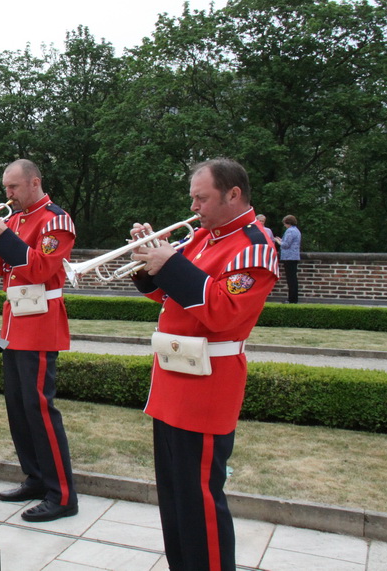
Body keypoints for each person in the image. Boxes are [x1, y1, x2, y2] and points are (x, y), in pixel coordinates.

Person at [129, 158, 279, 571]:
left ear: (233, 194)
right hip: (173, 381)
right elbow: (169, 297)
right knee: (175, 498)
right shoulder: (202, 238)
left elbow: (223, 312)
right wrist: (148, 262)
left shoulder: (255, 246)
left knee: (201, 505)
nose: (194, 207)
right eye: (193, 197)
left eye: (202, 198)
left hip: (207, 387)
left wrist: (170, 263)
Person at [0, 159, 79, 522]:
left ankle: (63, 494)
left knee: (40, 409)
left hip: (40, 323)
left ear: (35, 183)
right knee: (17, 407)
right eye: (6, 188)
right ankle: (35, 477)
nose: (9, 195)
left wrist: (1, 236)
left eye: (14, 188)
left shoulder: (57, 221)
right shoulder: (14, 221)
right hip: (14, 321)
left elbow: (39, 269)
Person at [279, 215, 301, 303]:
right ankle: (293, 298)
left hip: (289, 257)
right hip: (294, 256)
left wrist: (278, 241)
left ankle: (292, 299)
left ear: (287, 223)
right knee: (293, 278)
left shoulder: (290, 231)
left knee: (291, 279)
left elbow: (285, 245)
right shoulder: (296, 230)